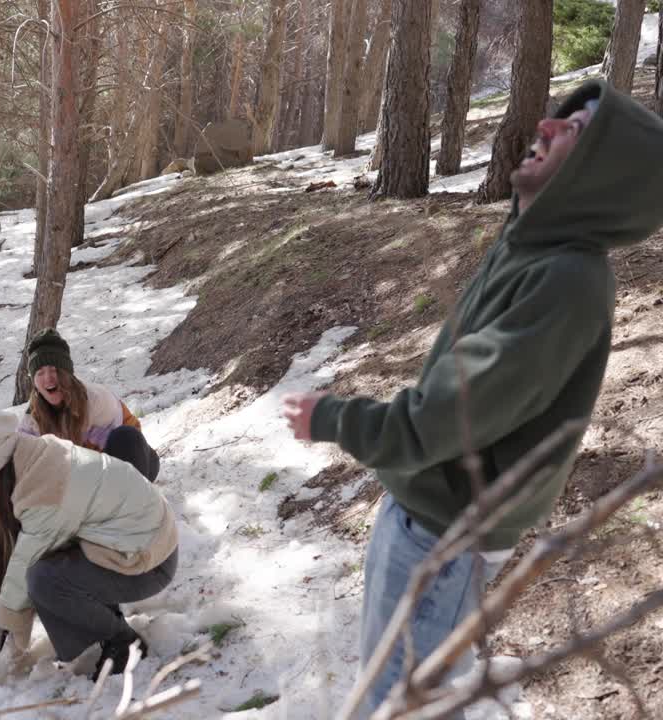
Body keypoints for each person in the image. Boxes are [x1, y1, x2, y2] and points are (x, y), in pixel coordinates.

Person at [282, 78, 663, 718]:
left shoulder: (568, 280)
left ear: (601, 176)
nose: (544, 126)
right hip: (423, 511)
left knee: (404, 705)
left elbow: (459, 409)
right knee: (393, 693)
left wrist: (341, 418)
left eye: (573, 131)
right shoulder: (532, 248)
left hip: (446, 535)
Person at [0, 410, 178, 679]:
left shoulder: (45, 488)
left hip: (148, 560)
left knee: (44, 578)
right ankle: (102, 629)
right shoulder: (40, 458)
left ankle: (123, 641)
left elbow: (28, 559)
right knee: (49, 569)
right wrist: (2, 614)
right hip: (134, 544)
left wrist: (0, 620)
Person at [19, 328, 159, 482]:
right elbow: (21, 462)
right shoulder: (31, 420)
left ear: (68, 374)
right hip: (84, 479)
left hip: (132, 462)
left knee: (125, 436)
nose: (48, 378)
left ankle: (134, 501)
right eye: (39, 373)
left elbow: (130, 443)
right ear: (34, 382)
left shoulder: (94, 399)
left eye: (54, 370)